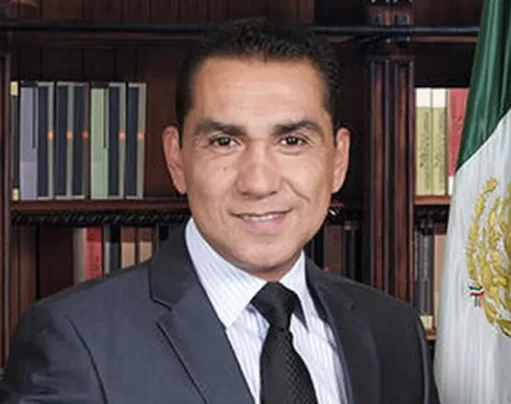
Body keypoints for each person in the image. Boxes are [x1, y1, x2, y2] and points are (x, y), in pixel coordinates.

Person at [0, 18, 439, 404]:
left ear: (338, 160)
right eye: (224, 142)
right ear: (176, 159)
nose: (259, 182)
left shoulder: (394, 332)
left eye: (292, 141)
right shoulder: (75, 340)